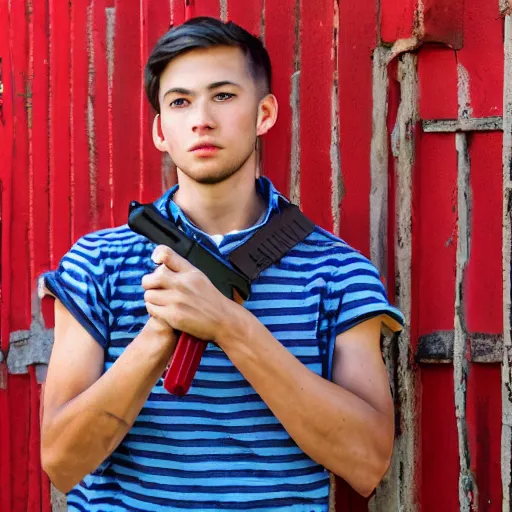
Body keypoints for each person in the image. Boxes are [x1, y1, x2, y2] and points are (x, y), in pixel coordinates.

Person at [40, 16, 404, 512]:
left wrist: (231, 325)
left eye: (224, 96)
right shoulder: (96, 264)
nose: (201, 119)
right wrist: (160, 334)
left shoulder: (337, 272)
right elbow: (61, 461)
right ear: (160, 131)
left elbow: (368, 462)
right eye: (180, 102)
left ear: (265, 113)